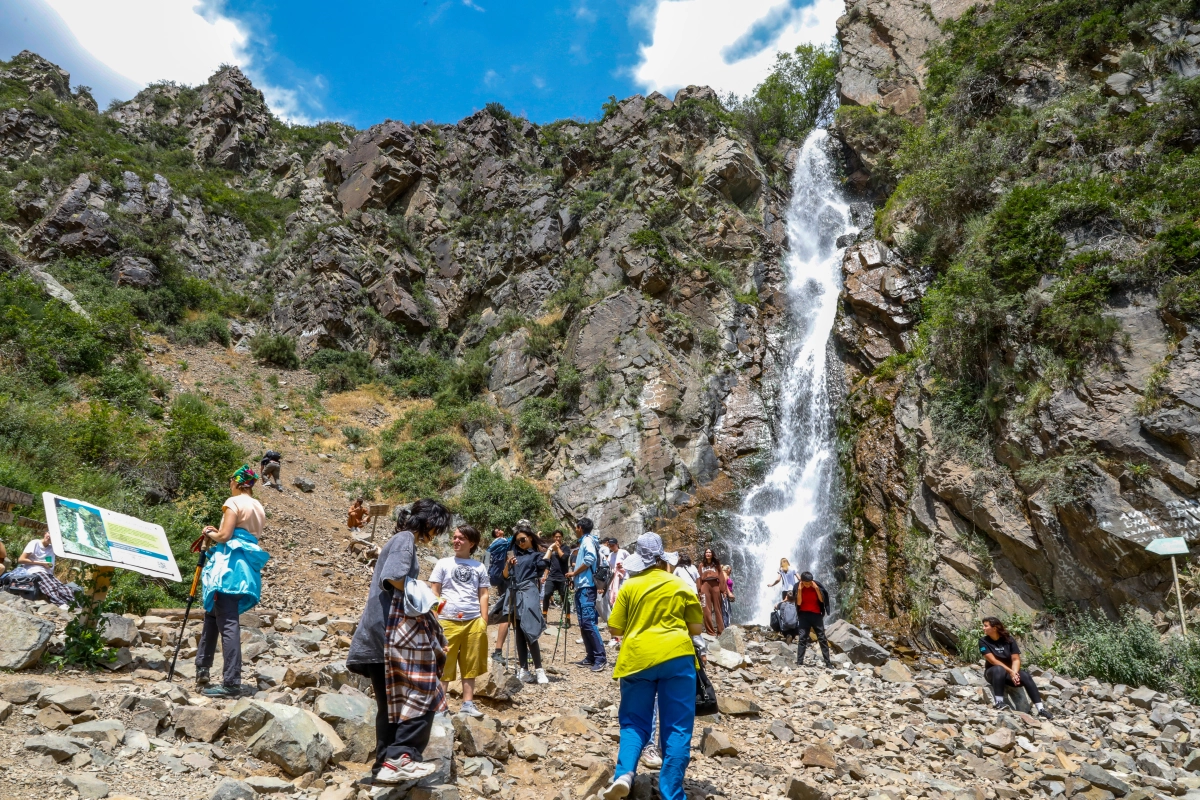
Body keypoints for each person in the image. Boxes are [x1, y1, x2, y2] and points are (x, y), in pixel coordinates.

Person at [347, 499, 452, 785]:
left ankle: (383, 769)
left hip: (374, 637)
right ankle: (402, 757)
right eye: (437, 529)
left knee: (390, 707)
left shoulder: (397, 539)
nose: (435, 535)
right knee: (425, 691)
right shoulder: (406, 539)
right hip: (390, 636)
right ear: (429, 523)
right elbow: (394, 578)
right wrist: (428, 599)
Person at [600, 533, 703, 800]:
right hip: (677, 658)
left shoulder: (630, 587)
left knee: (634, 722)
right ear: (662, 559)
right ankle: (672, 793)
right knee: (678, 726)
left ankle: (624, 774)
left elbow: (615, 627)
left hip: (637, 659)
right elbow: (696, 628)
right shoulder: (680, 585)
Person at [195, 465, 271, 698]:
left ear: (238, 483)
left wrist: (210, 533)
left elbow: (225, 536)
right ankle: (203, 668)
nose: (229, 483)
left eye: (231, 479)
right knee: (213, 614)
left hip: (228, 569)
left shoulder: (233, 502)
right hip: (246, 569)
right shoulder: (258, 507)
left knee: (227, 622)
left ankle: (231, 681)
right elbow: (243, 534)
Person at [429, 524, 489, 719]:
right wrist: (435, 617)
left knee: (470, 663)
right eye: (454, 537)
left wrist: (484, 620)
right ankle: (440, 705)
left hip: (473, 621)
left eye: (461, 538)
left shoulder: (479, 566)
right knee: (445, 664)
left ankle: (468, 704)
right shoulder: (443, 563)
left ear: (471, 543)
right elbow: (435, 591)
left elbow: (484, 594)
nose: (456, 541)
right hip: (447, 620)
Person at [494, 522, 549, 684]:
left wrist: (550, 551)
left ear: (531, 538)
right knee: (518, 630)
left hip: (529, 590)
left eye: (523, 539)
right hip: (514, 591)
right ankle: (524, 669)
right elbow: (504, 577)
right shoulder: (514, 556)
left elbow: (543, 566)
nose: (520, 543)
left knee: (529, 627)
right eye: (518, 541)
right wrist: (508, 564)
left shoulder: (537, 555)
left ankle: (539, 669)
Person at [980, 617, 1053, 720]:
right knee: (998, 669)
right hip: (993, 673)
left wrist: (1014, 673)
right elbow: (993, 661)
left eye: (986, 626)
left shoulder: (1009, 640)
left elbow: (1016, 659)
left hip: (1009, 673)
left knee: (1026, 676)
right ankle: (999, 702)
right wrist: (1011, 672)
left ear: (995, 628)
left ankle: (1041, 709)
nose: (983, 628)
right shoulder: (983, 641)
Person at [566, 517, 607, 671]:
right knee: (584, 623)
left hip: (587, 587)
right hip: (582, 586)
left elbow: (590, 558)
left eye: (576, 527)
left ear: (580, 527)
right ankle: (591, 656)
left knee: (589, 623)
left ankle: (600, 658)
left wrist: (574, 573)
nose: (575, 530)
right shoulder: (586, 540)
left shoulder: (587, 541)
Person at [794, 571, 832, 668]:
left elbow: (822, 600)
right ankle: (799, 662)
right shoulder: (797, 586)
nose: (808, 585)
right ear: (801, 581)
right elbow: (798, 603)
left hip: (816, 615)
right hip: (803, 615)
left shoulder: (816, 585)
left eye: (810, 583)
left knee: (822, 638)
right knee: (802, 638)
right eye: (806, 583)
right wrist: (800, 590)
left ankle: (828, 663)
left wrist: (816, 588)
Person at [486, 527, 512, 664]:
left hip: (500, 578)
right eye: (498, 529)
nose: (501, 530)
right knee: (508, 614)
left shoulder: (493, 544)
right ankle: (498, 651)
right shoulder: (501, 541)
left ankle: (498, 650)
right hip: (506, 579)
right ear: (496, 533)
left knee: (506, 612)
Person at [541, 530, 571, 627]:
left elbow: (564, 558)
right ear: (553, 538)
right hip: (552, 577)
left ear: (562, 537)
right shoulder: (551, 549)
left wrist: (557, 548)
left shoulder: (565, 548)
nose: (557, 538)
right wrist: (545, 576)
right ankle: (544, 616)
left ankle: (567, 618)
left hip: (562, 577)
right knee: (546, 594)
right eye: (556, 537)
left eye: (559, 536)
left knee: (564, 597)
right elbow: (548, 564)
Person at [697, 548, 727, 635]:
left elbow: (721, 577)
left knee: (718, 608)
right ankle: (710, 631)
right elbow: (698, 578)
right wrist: (699, 590)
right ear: (704, 554)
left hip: (715, 585)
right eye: (706, 552)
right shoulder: (701, 565)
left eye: (710, 552)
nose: (708, 554)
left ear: (712, 554)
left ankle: (720, 631)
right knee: (706, 608)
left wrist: (723, 590)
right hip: (704, 586)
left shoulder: (716, 564)